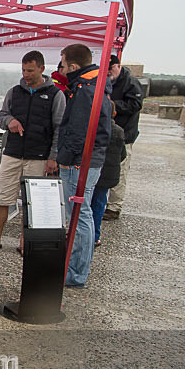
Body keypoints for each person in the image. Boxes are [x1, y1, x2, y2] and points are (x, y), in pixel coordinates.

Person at [0, 51, 66, 254]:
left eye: (30, 70)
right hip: (12, 153)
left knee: (31, 201)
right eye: (24, 70)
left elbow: (60, 128)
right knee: (1, 197)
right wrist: (10, 122)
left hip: (39, 156)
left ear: (42, 69)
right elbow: (1, 117)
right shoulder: (14, 92)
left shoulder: (55, 95)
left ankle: (25, 241)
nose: (26, 74)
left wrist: (53, 157)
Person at [56, 44, 112, 288]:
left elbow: (79, 130)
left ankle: (75, 273)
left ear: (74, 66)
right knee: (83, 214)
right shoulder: (96, 84)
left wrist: (64, 159)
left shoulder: (84, 88)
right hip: (90, 159)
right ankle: (78, 269)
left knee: (79, 216)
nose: (62, 69)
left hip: (79, 162)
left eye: (64, 65)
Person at [104, 54, 143, 220]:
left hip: (124, 135)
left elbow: (135, 105)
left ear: (117, 66)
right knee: (107, 171)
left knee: (120, 171)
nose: (108, 73)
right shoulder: (108, 82)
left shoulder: (132, 83)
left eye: (110, 69)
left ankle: (114, 207)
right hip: (107, 133)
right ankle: (107, 203)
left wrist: (112, 104)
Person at [91, 118, 126, 247]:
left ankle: (85, 234)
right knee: (99, 205)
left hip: (95, 169)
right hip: (108, 175)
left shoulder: (96, 128)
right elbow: (123, 154)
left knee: (87, 204)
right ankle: (95, 236)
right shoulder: (119, 131)